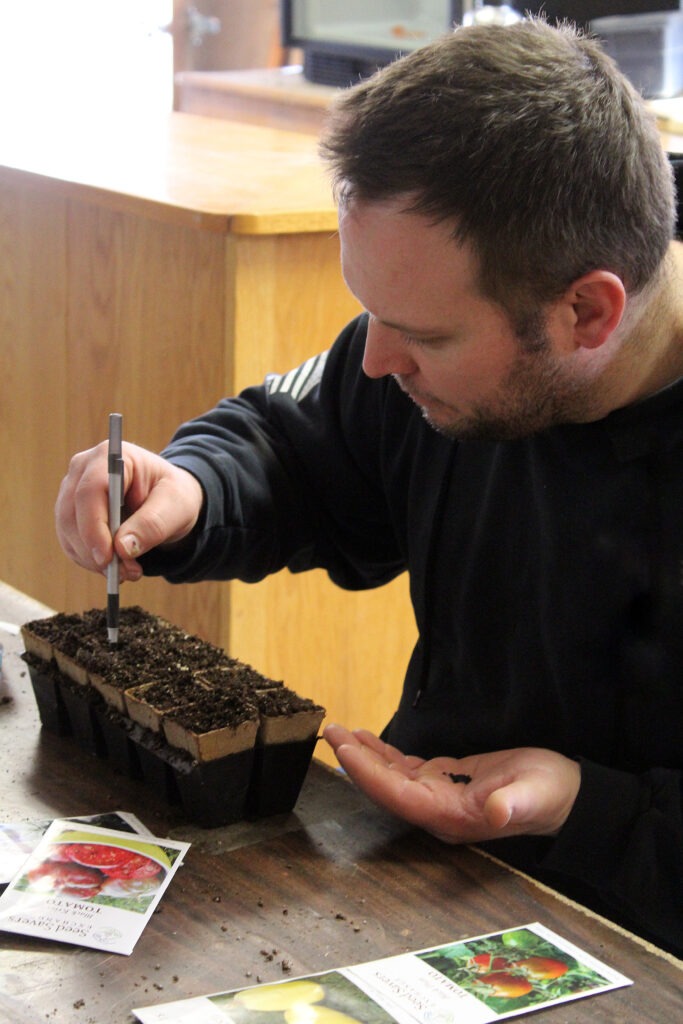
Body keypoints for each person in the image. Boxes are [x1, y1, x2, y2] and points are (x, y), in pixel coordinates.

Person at [55, 18, 683, 957]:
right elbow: (295, 444)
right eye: (369, 315)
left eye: (423, 338)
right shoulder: (421, 341)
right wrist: (190, 486)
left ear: (587, 310)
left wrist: (584, 804)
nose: (377, 359)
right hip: (430, 876)